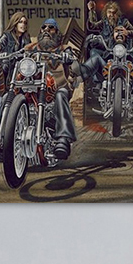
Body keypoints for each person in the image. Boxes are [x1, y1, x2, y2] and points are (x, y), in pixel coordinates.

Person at [34, 18, 78, 160]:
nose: (46, 30)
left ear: (57, 32)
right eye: (44, 27)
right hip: (34, 89)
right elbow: (18, 54)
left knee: (61, 94)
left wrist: (68, 57)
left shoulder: (64, 48)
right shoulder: (31, 47)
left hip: (58, 89)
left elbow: (73, 57)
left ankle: (63, 139)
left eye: (51, 28)